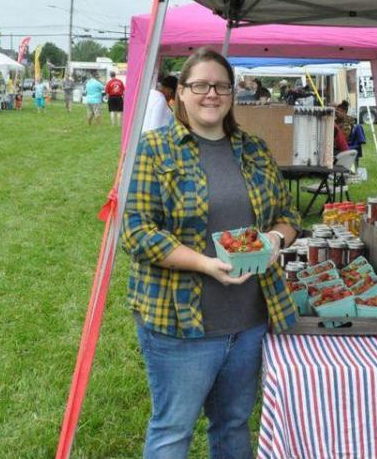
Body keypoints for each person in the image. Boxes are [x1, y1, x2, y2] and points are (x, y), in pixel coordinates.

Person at [122, 47, 300, 459]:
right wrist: (204, 263)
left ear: (233, 94)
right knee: (172, 429)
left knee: (234, 423)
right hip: (180, 322)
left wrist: (274, 241)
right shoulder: (153, 149)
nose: (211, 94)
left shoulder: (254, 149)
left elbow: (287, 215)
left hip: (249, 321)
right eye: (199, 85)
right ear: (180, 93)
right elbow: (135, 231)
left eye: (221, 85)